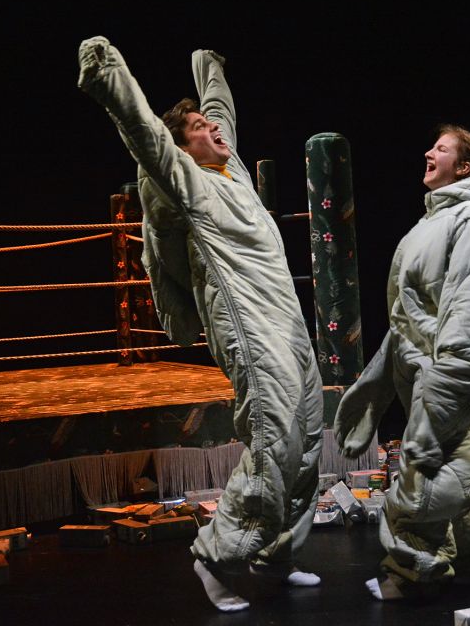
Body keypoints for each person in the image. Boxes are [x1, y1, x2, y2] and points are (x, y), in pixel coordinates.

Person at [77, 37, 324, 612]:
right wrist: (107, 70)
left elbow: (222, 113)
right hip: (246, 323)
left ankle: (276, 553)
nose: (214, 130)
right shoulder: (189, 184)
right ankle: (214, 555)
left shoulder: (230, 168)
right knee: (274, 429)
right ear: (182, 147)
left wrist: (209, 68)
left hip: (285, 319)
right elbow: (145, 134)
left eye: (212, 126)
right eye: (199, 127)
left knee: (308, 434)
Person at [335, 125, 470, 600]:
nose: (427, 151)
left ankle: (411, 573)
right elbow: (409, 315)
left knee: (424, 478)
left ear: (465, 166)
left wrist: (434, 410)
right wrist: (375, 385)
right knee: (454, 474)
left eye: (441, 148)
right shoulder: (435, 221)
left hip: (457, 372)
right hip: (430, 367)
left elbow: (468, 329)